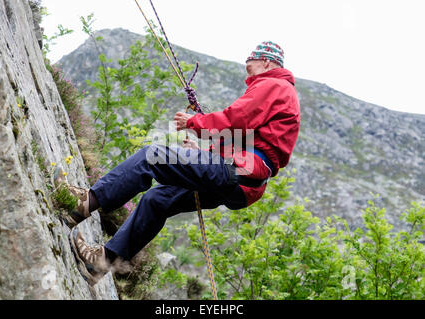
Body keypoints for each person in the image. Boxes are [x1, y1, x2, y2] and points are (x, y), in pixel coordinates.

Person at [62, 41, 301, 286]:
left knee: (151, 157)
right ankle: (99, 262)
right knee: (157, 200)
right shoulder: (280, 91)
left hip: (237, 170)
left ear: (266, 62)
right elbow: (247, 139)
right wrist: (203, 151)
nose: (247, 71)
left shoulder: (274, 85)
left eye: (250, 64)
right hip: (244, 181)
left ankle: (84, 202)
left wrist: (194, 122)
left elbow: (237, 119)